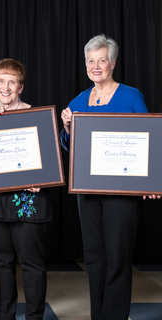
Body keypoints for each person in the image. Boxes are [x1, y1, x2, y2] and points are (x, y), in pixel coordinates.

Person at [60, 34, 148, 320]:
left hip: (122, 193)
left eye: (101, 60)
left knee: (117, 258)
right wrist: (68, 129)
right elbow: (67, 146)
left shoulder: (131, 96)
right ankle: (99, 315)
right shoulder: (77, 102)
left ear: (112, 63)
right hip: (87, 192)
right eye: (90, 61)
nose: (95, 66)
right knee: (95, 258)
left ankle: (115, 316)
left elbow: (148, 139)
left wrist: (151, 181)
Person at [0, 58, 52, 320]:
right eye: (1, 82)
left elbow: (50, 161)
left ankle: (34, 317)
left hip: (28, 203)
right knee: (0, 264)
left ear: (20, 86)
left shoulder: (38, 116)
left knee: (31, 265)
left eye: (12, 82)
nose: (6, 87)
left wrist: (42, 177)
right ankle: (4, 317)